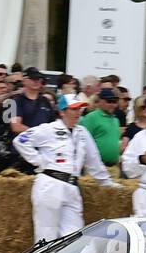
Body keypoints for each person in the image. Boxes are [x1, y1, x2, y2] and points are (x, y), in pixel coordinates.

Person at [13, 95, 118, 241]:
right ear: (62, 112)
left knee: (75, 238)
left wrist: (108, 183)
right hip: (50, 184)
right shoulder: (49, 129)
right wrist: (40, 162)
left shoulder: (82, 133)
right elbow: (20, 140)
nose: (77, 112)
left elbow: (94, 161)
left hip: (72, 187)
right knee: (46, 237)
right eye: (73, 109)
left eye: (79, 109)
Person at [80, 87, 124, 169]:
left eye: (115, 102)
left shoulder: (116, 120)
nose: (113, 105)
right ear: (100, 101)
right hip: (95, 168)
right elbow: (82, 142)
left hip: (113, 167)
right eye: (109, 101)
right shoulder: (91, 117)